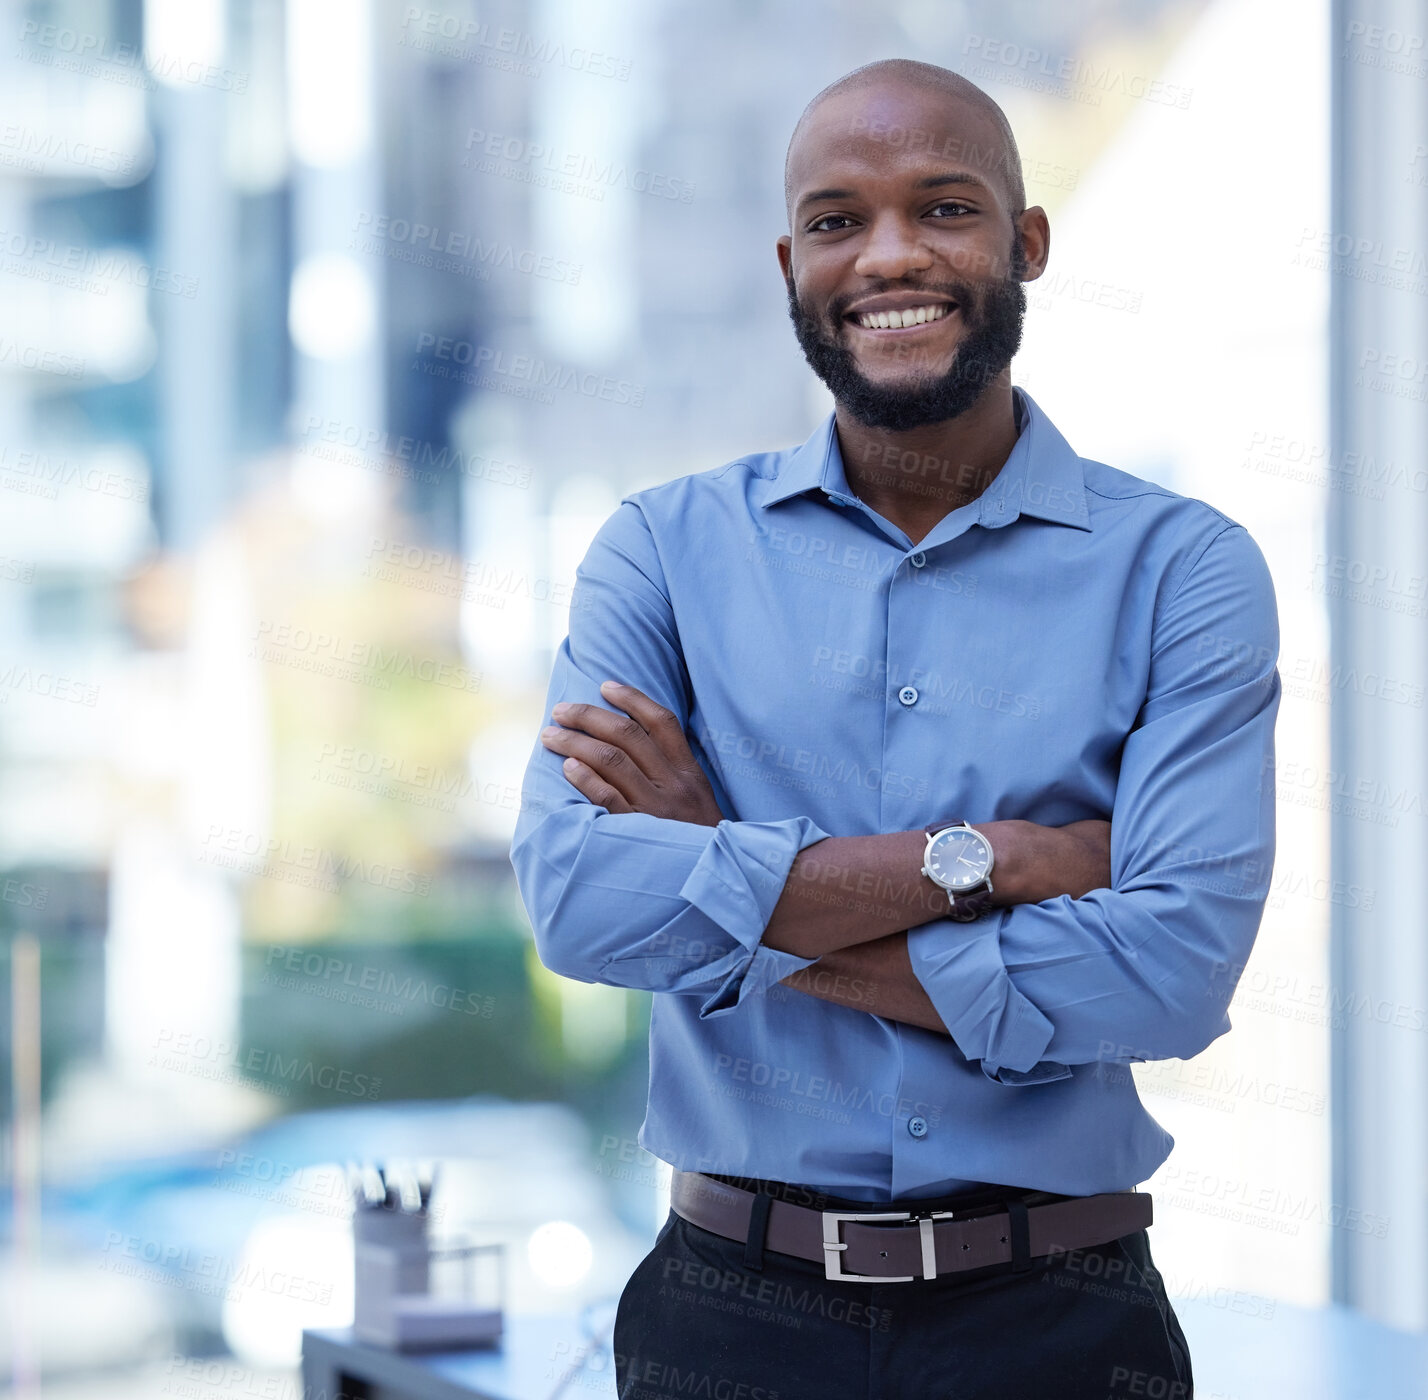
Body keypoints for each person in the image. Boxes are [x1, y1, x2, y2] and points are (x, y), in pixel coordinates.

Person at [510, 57, 1277, 1400]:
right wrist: (997, 860)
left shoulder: (1184, 572)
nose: (889, 256)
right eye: (836, 221)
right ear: (790, 262)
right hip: (723, 1325)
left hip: (1061, 1327)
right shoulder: (660, 554)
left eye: (945, 207)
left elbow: (1170, 973)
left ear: (1026, 242)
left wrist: (731, 873)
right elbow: (579, 902)